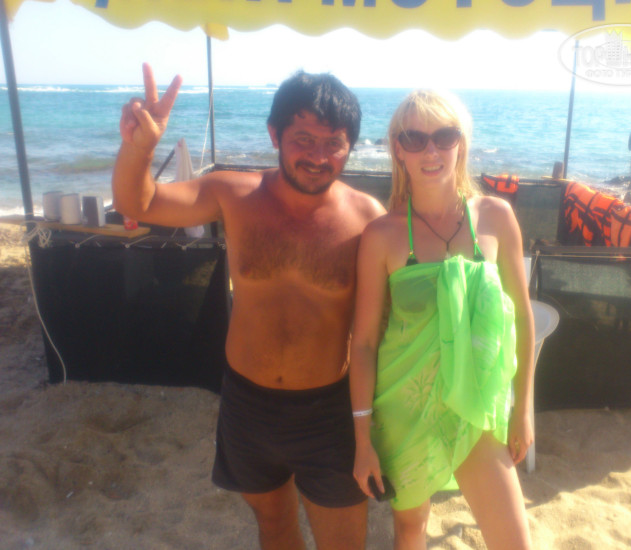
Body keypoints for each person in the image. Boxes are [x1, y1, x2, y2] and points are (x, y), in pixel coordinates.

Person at [112, 63, 385, 550]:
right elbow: (139, 203)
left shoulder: (367, 219)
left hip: (329, 411)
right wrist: (140, 148)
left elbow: (385, 326)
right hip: (247, 403)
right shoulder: (233, 194)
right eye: (303, 139)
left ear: (350, 147)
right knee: (274, 527)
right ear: (275, 134)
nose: (318, 157)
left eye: (334, 143)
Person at [349, 89, 534, 549]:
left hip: (476, 403)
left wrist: (523, 410)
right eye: (415, 139)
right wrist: (362, 439)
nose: (430, 151)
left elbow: (522, 318)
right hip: (405, 404)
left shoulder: (496, 217)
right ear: (398, 149)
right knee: (411, 529)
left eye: (444, 136)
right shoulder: (382, 235)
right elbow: (365, 342)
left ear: (461, 143)